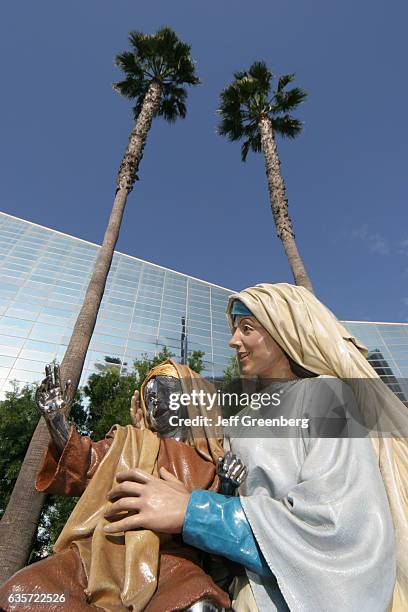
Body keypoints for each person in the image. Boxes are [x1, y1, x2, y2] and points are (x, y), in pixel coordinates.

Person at [112, 283, 408, 611]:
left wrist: (194, 512)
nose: (233, 341)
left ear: (284, 332)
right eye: (235, 330)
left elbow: (334, 526)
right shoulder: (238, 423)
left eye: (247, 329)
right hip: (242, 594)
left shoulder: (327, 395)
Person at [0, 359, 246, 612]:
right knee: (20, 594)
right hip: (100, 552)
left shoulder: (209, 465)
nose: (156, 401)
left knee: (200, 607)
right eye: (149, 397)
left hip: (171, 561)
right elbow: (85, 461)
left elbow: (217, 529)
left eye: (165, 391)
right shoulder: (128, 441)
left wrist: (228, 486)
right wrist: (56, 421)